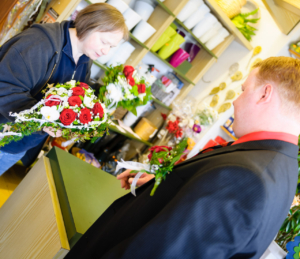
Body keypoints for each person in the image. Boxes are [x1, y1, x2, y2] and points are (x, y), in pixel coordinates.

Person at [65, 56, 300, 259]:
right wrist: (169, 186)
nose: (235, 101)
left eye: (243, 90)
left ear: (264, 94)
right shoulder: (282, 167)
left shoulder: (246, 177)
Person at [0, 3, 128, 175]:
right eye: (104, 42)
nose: (106, 51)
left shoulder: (85, 58)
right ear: (88, 24)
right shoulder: (39, 43)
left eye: (112, 47)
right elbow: (5, 86)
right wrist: (44, 120)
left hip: (17, 145)